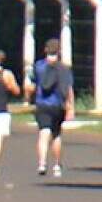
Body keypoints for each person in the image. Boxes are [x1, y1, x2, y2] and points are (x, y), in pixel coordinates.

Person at [27, 39, 74, 177]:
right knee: (56, 135)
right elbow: (68, 88)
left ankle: (42, 163)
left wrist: (29, 99)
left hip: (42, 104)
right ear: (59, 52)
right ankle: (57, 165)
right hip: (58, 105)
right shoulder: (64, 68)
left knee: (43, 134)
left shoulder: (39, 66)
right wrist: (70, 106)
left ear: (45, 50)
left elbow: (32, 85)